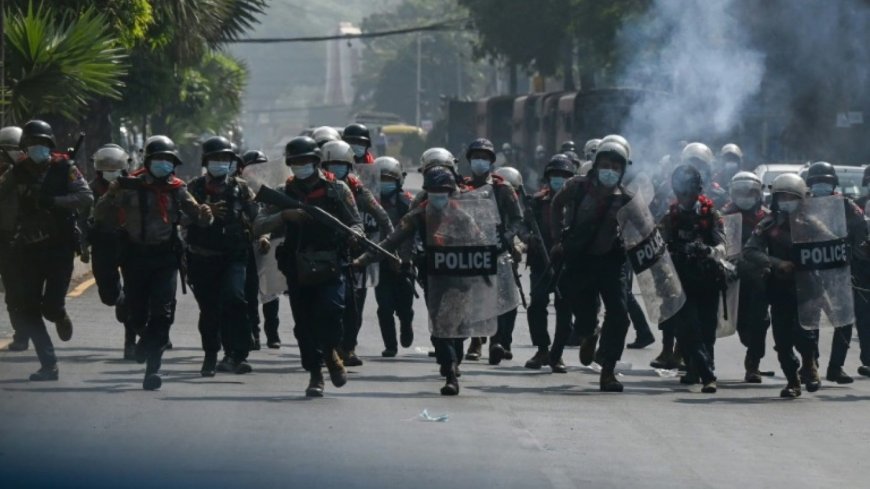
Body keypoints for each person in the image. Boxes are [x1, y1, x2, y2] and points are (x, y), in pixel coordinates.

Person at [354, 166, 489, 395]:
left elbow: (481, 242)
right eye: (434, 191)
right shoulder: (418, 215)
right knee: (439, 326)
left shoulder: (462, 215)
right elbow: (391, 240)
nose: (439, 195)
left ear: (451, 192)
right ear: (427, 192)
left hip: (460, 278)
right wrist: (364, 259)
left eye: (443, 191)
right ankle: (449, 372)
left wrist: (486, 266)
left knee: (457, 327)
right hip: (433, 277)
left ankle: (454, 361)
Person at [95, 135, 212, 390]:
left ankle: (152, 369)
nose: (163, 165)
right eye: (158, 160)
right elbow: (100, 214)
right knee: (136, 312)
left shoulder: (178, 189)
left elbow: (200, 217)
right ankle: (141, 338)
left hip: (165, 258)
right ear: (147, 162)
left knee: (163, 312)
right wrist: (111, 194)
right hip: (135, 257)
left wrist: (206, 214)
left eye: (168, 161)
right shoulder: (129, 186)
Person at [253, 136, 362, 397]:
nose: (302, 166)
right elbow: (257, 225)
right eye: (297, 162)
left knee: (332, 312)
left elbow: (356, 222)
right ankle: (316, 374)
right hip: (297, 267)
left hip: (331, 264)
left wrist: (355, 234)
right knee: (304, 325)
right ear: (290, 164)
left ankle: (332, 352)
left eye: (307, 162)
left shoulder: (338, 190)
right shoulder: (282, 193)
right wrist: (284, 216)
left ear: (316, 162)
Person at [0, 120, 93, 379]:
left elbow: (86, 197)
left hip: (60, 248)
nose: (37, 148)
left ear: (50, 145)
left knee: (51, 307)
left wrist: (53, 201)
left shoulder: (65, 168)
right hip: (28, 248)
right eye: (31, 144)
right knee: (28, 307)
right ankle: (49, 363)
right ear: (24, 147)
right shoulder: (17, 172)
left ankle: (60, 314)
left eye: (42, 144)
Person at [550, 140, 634, 391]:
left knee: (620, 316)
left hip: (611, 261)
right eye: (606, 165)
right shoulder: (576, 187)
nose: (610, 170)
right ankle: (589, 334)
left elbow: (643, 229)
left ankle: (608, 370)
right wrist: (557, 240)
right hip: (580, 259)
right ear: (596, 165)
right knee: (583, 314)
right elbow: (555, 205)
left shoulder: (627, 198)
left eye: (616, 167)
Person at [185, 136, 260, 377]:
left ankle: (236, 353)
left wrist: (263, 233)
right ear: (206, 161)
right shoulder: (193, 187)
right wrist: (202, 213)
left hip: (234, 256)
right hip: (202, 257)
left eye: (225, 159)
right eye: (216, 158)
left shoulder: (241, 187)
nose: (221, 163)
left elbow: (256, 215)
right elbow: (181, 219)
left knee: (235, 298)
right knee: (209, 309)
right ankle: (210, 355)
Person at [744, 173, 823, 397]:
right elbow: (750, 250)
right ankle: (792, 381)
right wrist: (776, 263)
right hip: (780, 288)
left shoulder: (813, 224)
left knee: (805, 334)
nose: (787, 200)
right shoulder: (768, 224)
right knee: (782, 340)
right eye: (782, 197)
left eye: (792, 197)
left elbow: (832, 247)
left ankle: (809, 365)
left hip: (808, 288)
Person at [321, 140, 394, 366]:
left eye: (341, 165)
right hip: (322, 254)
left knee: (353, 305)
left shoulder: (357, 189)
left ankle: (348, 347)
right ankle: (327, 347)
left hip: (353, 257)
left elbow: (383, 218)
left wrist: (381, 249)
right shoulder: (316, 187)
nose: (337, 169)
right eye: (332, 164)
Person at [659, 164, 723, 393]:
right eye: (680, 190)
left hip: (707, 277)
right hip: (680, 279)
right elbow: (659, 246)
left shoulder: (711, 214)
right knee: (687, 329)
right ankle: (707, 375)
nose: (685, 195)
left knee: (707, 330)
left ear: (698, 190)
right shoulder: (670, 217)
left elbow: (724, 245)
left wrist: (708, 251)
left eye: (689, 190)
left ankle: (702, 369)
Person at [803, 161, 867, 384]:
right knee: (809, 321)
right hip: (809, 272)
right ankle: (811, 364)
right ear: (809, 185)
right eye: (816, 182)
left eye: (825, 182)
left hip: (839, 272)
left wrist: (857, 252)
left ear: (834, 184)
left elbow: (861, 233)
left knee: (844, 321)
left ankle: (835, 367)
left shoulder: (847, 206)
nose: (821, 186)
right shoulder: (802, 206)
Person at [463, 138, 524, 365]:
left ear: (491, 161)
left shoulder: (503, 188)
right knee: (475, 298)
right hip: (470, 252)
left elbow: (518, 219)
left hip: (498, 252)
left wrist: (507, 238)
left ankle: (498, 342)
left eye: (485, 158)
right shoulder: (462, 188)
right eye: (476, 157)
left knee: (502, 300)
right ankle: (476, 341)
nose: (480, 162)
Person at [523, 154, 574, 372]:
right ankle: (542, 349)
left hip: (567, 263)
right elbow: (523, 227)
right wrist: (529, 239)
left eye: (563, 176)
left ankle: (557, 354)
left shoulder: (577, 202)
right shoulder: (537, 201)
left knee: (564, 308)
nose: (558, 179)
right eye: (555, 175)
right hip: (540, 262)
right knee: (537, 304)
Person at [720, 171, 771, 382]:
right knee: (741, 323)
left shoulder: (767, 218)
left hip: (760, 278)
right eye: (740, 192)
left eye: (750, 192)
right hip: (734, 278)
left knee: (760, 321)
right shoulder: (724, 216)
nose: (745, 196)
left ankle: (753, 364)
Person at [86, 144, 135, 359]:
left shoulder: (134, 186)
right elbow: (85, 217)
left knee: (134, 293)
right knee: (109, 295)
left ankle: (130, 343)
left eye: (115, 166)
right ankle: (120, 298)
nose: (111, 170)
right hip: (103, 243)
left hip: (131, 242)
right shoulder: (90, 188)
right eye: (106, 167)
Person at [373, 156, 416, 357]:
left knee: (404, 307)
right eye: (381, 178)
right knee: (384, 307)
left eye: (388, 178)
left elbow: (414, 234)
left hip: (403, 263)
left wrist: (404, 258)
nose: (385, 182)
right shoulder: (369, 201)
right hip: (379, 261)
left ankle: (406, 325)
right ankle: (390, 345)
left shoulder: (406, 202)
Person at [239, 149, 282, 349]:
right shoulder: (240, 190)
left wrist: (267, 236)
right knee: (249, 292)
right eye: (254, 167)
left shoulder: (274, 189)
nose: (259, 171)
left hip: (267, 244)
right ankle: (252, 333)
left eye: (263, 167)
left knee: (271, 292)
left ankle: (272, 333)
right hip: (245, 245)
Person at [0, 125, 28, 351]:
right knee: (12, 288)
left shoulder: (33, 170)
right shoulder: (8, 173)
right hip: (6, 235)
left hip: (28, 235)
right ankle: (21, 332)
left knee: (25, 287)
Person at [681, 142, 728, 209]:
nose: (696, 170)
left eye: (700, 165)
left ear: (708, 168)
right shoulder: (677, 194)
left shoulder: (719, 195)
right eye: (692, 166)